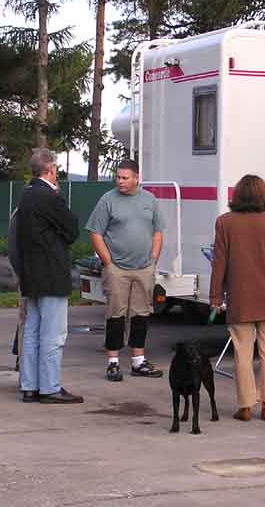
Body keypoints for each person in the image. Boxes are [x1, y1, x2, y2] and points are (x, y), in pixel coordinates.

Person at [209, 174, 265, 422]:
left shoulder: (224, 222)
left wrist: (215, 296)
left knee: (242, 353)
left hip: (240, 298)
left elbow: (219, 263)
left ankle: (245, 406)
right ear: (262, 195)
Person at [86, 159, 166, 382]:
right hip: (117, 269)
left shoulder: (149, 200)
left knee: (141, 314)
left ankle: (138, 361)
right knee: (115, 315)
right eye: (118, 177)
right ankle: (113, 363)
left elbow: (158, 231)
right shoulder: (108, 200)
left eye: (124, 177)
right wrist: (108, 263)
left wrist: (153, 259)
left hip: (144, 268)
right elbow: (95, 233)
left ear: (136, 178)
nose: (120, 181)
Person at [17, 148, 82, 404]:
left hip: (31, 274)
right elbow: (72, 229)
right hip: (52, 274)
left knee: (32, 332)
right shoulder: (50, 197)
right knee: (53, 334)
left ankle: (30, 386)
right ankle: (50, 387)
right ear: (51, 170)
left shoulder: (26, 195)